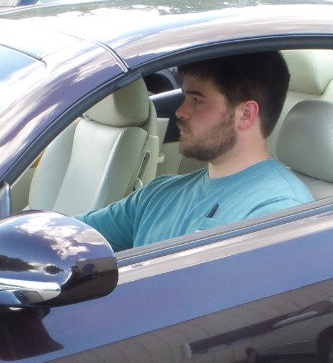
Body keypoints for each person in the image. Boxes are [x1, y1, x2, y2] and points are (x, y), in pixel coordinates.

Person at [79, 52, 313, 251]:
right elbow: (71, 237)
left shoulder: (277, 213)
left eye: (198, 100)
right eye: (185, 97)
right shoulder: (158, 195)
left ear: (246, 114)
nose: (181, 111)